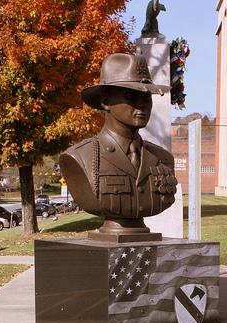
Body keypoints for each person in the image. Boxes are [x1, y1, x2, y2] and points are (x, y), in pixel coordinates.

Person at [59, 53, 177, 238]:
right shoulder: (80, 157)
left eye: (146, 96)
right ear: (106, 102)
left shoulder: (163, 159)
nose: (142, 104)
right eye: (132, 95)